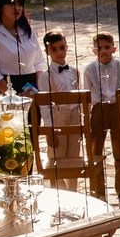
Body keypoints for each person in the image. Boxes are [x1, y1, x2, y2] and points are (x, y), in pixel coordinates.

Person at [83, 31, 120, 202]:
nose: (103, 51)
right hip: (98, 109)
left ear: (113, 48)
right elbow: (87, 96)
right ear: (94, 50)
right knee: (96, 152)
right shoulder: (90, 69)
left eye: (107, 47)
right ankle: (98, 191)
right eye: (99, 48)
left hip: (117, 107)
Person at [39, 29, 82, 190]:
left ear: (67, 47)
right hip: (58, 117)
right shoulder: (46, 75)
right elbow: (44, 105)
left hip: (75, 116)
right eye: (54, 49)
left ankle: (73, 191)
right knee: (57, 156)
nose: (59, 52)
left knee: (74, 157)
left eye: (62, 47)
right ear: (47, 51)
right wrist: (50, 129)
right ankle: (60, 191)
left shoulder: (75, 72)